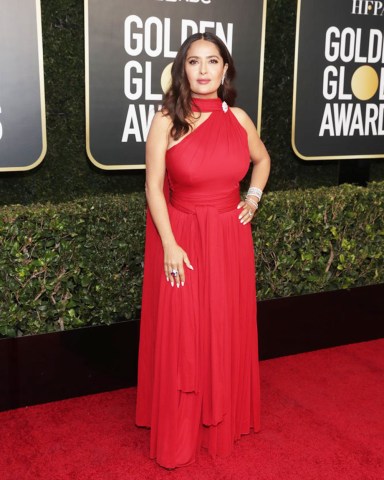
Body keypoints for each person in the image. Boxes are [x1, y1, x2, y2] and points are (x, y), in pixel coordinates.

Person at [135, 32, 271, 469]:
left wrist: (252, 197)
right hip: (183, 240)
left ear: (225, 69)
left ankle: (220, 416)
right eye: (194, 62)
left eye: (213, 61)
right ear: (183, 69)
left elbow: (262, 160)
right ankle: (180, 427)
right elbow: (153, 188)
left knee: (222, 324)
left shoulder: (241, 119)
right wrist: (170, 244)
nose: (204, 70)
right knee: (184, 334)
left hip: (230, 240)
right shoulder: (165, 120)